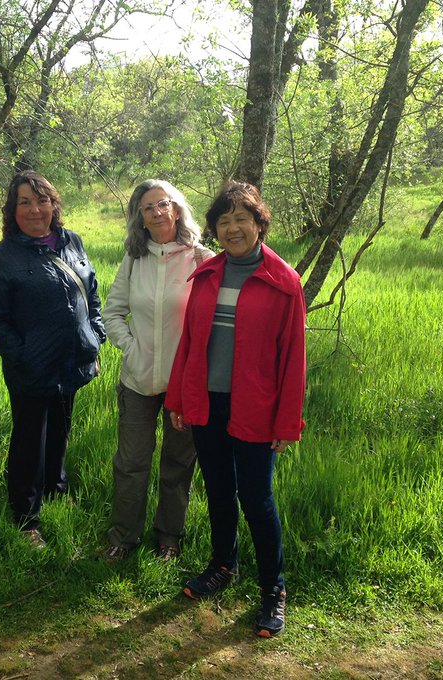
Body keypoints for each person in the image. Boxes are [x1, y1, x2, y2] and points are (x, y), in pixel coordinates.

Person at [165, 180, 306, 637]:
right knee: (219, 490)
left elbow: (293, 360)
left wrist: (287, 421)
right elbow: (189, 343)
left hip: (257, 409)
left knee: (257, 499)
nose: (232, 228)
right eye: (223, 221)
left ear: (259, 222)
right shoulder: (207, 275)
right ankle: (223, 565)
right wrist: (179, 400)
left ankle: (273, 589)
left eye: (241, 219)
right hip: (208, 404)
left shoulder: (282, 282)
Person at [0, 170, 105, 549]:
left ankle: (55, 491)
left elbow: (92, 292)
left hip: (73, 360)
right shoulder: (4, 257)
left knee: (61, 430)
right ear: (12, 210)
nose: (35, 210)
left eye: (42, 200)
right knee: (30, 440)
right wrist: (22, 354)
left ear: (54, 204)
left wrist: (95, 334)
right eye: (25, 202)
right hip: (31, 367)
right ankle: (25, 517)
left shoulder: (73, 242)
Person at [102, 180, 214, 562]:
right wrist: (131, 349)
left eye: (163, 204)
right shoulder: (134, 259)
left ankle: (169, 538)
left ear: (177, 209)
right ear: (141, 219)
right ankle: (123, 537)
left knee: (177, 465)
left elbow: (214, 322)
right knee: (131, 463)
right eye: (147, 208)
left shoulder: (202, 259)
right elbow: (112, 313)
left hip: (184, 386)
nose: (157, 212)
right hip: (137, 381)